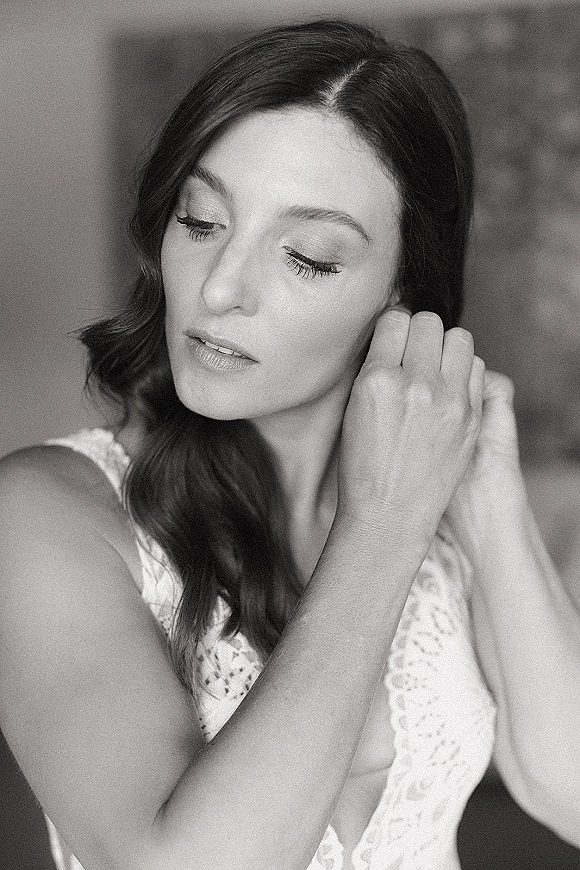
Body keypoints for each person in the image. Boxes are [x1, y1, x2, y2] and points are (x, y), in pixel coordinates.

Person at [0, 18, 579, 870]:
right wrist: (383, 526)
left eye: (306, 258)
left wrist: (486, 490)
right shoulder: (46, 512)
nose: (220, 288)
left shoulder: (445, 512)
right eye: (201, 221)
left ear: (402, 293)